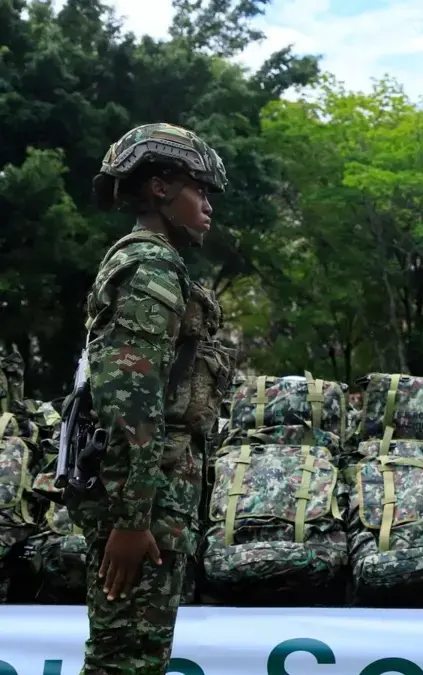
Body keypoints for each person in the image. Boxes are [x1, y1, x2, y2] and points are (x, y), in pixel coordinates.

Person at [67, 123, 235, 675]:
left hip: (150, 500)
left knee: (134, 658)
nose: (208, 206)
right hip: (143, 504)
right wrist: (132, 519)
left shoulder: (159, 265)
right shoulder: (151, 268)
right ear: (161, 188)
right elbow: (131, 400)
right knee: (125, 661)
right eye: (199, 191)